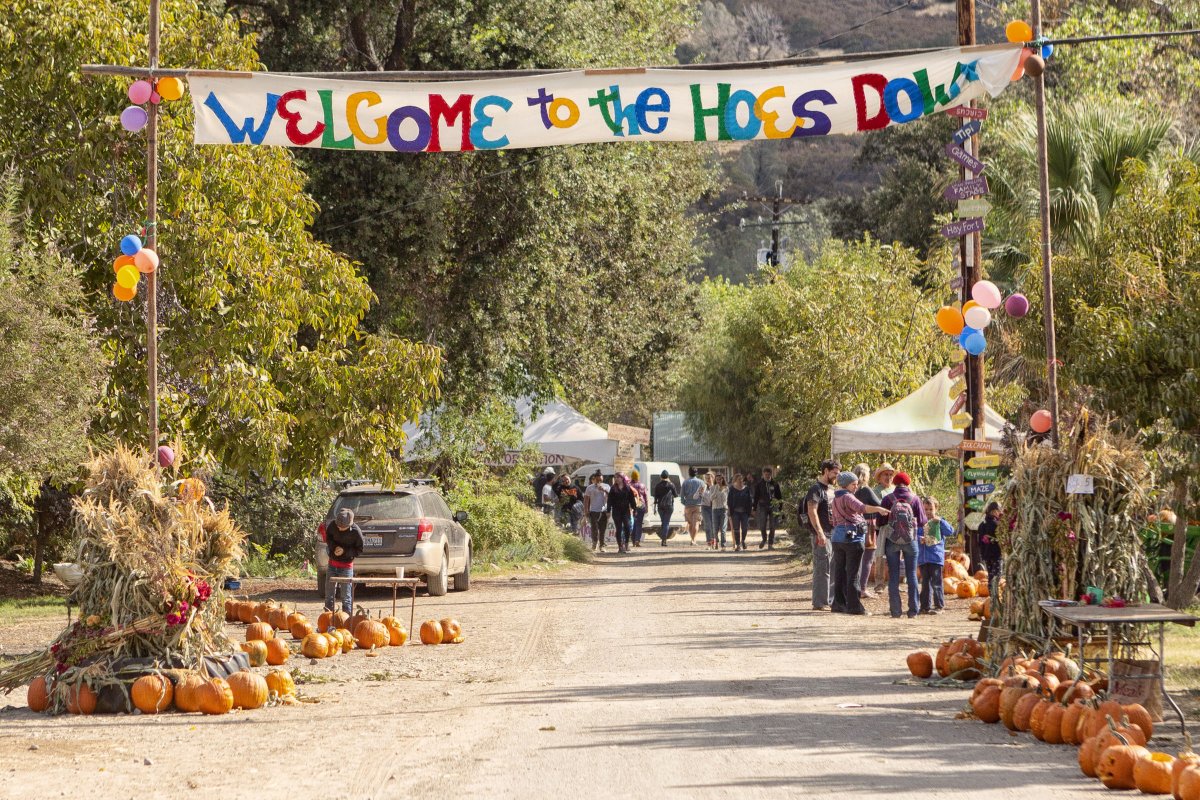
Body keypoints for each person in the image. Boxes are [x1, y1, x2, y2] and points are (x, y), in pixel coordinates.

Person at [829, 472, 889, 615]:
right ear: (845, 484)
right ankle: (855, 606)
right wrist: (878, 509)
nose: (856, 487)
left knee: (840, 572)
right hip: (852, 538)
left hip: (837, 537)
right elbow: (862, 508)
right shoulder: (848, 496)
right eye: (853, 484)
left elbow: (834, 521)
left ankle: (838, 603)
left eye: (856, 483)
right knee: (853, 573)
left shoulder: (835, 498)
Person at [880, 471, 927, 619]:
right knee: (911, 574)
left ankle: (895, 611)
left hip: (892, 540)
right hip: (910, 540)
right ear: (908, 483)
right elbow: (922, 521)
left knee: (893, 575)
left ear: (894, 483)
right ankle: (913, 611)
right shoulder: (914, 499)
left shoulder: (888, 499)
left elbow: (880, 522)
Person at [804, 460, 841, 610]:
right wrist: (819, 533)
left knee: (832, 567)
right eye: (834, 473)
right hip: (822, 534)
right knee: (822, 568)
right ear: (826, 471)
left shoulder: (831, 489)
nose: (836, 476)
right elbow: (811, 511)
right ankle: (820, 602)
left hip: (833, 533)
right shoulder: (815, 489)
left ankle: (829, 600)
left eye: (838, 474)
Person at [324, 508, 365, 615]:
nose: (340, 529)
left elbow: (359, 550)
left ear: (350, 525)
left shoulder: (356, 532)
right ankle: (328, 621)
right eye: (338, 526)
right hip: (332, 564)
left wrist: (345, 551)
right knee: (329, 595)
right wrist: (334, 548)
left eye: (343, 527)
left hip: (346, 567)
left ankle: (347, 622)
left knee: (346, 597)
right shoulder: (332, 526)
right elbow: (328, 539)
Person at [852, 463, 883, 599]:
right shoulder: (866, 490)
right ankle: (862, 588)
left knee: (856, 558)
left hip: (854, 525)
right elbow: (880, 505)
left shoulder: (852, 490)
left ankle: (854, 587)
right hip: (868, 526)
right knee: (868, 559)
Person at [918, 495, 953, 614]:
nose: (928, 512)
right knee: (925, 583)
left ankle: (939, 606)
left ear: (936, 509)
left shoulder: (938, 522)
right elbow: (913, 535)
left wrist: (941, 521)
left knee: (936, 582)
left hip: (936, 557)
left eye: (930, 509)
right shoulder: (921, 522)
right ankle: (924, 606)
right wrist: (919, 539)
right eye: (925, 509)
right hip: (923, 558)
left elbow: (950, 531)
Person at [753, 467, 783, 550]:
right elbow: (756, 497)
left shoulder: (775, 484)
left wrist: (780, 508)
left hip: (773, 506)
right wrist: (754, 508)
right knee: (762, 525)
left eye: (768, 474)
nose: (767, 476)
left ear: (771, 474)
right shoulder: (759, 484)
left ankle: (770, 543)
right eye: (765, 474)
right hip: (762, 506)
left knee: (773, 526)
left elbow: (779, 497)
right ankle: (764, 539)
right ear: (763, 474)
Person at [607, 473, 637, 554]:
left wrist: (635, 509)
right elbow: (609, 500)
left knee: (627, 527)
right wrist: (608, 510)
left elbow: (632, 499)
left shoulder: (627, 488)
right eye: (615, 477)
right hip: (616, 511)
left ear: (622, 478)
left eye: (618, 477)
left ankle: (626, 543)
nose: (616, 479)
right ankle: (620, 546)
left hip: (626, 511)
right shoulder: (613, 488)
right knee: (619, 528)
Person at [978, 501, 1003, 597]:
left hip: (986, 555)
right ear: (994, 511)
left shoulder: (982, 525)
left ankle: (992, 596)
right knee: (997, 575)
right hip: (996, 554)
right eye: (999, 510)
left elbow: (980, 542)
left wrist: (982, 553)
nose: (1000, 513)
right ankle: (995, 596)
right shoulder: (997, 524)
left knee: (990, 575)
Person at [583, 471, 610, 552]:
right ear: (594, 479)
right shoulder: (589, 488)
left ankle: (602, 545)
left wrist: (604, 490)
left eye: (600, 480)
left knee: (602, 529)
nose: (599, 482)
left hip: (603, 511)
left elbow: (611, 497)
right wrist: (586, 510)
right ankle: (594, 543)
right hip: (593, 511)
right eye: (597, 480)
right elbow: (586, 500)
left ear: (602, 479)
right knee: (594, 528)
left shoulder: (607, 486)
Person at [727, 473, 753, 551]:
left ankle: (743, 541)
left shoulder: (746, 489)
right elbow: (729, 501)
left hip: (744, 512)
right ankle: (738, 544)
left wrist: (750, 510)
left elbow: (749, 500)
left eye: (741, 479)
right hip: (735, 512)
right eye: (739, 479)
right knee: (736, 528)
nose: (740, 481)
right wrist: (729, 510)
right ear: (735, 480)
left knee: (745, 528)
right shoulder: (732, 489)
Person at [653, 470, 679, 546]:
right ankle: (664, 540)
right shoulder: (671, 484)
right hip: (669, 505)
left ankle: (663, 538)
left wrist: (655, 506)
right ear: (668, 477)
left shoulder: (658, 485)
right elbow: (676, 495)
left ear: (661, 477)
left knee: (663, 522)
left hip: (660, 506)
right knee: (666, 522)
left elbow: (655, 497)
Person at [680, 467, 705, 545]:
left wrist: (685, 502)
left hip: (688, 505)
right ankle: (694, 539)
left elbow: (682, 495)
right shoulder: (701, 482)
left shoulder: (685, 482)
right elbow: (703, 494)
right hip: (698, 505)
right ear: (696, 473)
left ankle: (692, 539)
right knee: (696, 523)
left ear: (689, 473)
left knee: (690, 523)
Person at [629, 469, 649, 548]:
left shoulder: (629, 485)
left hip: (632, 505)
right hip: (641, 505)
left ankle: (633, 541)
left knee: (633, 523)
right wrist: (647, 506)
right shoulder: (642, 485)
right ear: (638, 477)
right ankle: (637, 540)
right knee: (639, 524)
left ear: (632, 476)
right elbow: (645, 497)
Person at [710, 473, 729, 551]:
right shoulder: (712, 488)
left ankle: (723, 545)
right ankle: (716, 543)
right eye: (717, 479)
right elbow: (711, 498)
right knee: (715, 528)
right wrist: (716, 489)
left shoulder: (726, 488)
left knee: (723, 529)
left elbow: (727, 499)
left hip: (724, 510)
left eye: (720, 479)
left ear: (723, 479)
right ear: (715, 480)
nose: (719, 481)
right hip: (715, 509)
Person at [701, 472, 716, 549]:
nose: (707, 480)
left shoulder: (716, 487)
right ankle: (709, 543)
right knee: (707, 526)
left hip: (714, 507)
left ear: (713, 478)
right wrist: (701, 492)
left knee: (713, 526)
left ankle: (714, 542)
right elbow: (698, 496)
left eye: (709, 478)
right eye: (706, 478)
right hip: (705, 507)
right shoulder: (704, 487)